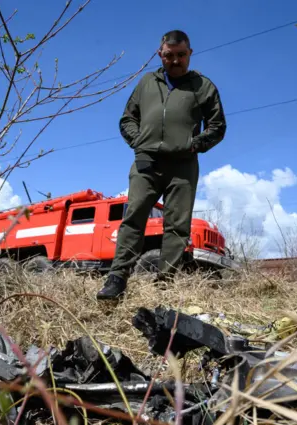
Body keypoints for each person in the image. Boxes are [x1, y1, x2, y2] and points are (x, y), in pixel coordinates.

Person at [96, 29, 227, 300]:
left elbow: (217, 126)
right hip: (146, 163)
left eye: (181, 55)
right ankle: (117, 279)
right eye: (169, 55)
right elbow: (127, 120)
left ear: (190, 54)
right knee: (134, 219)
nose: (175, 61)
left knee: (177, 226)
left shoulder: (204, 86)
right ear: (160, 54)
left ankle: (164, 287)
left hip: (183, 166)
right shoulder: (146, 83)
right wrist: (139, 141)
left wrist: (194, 144)